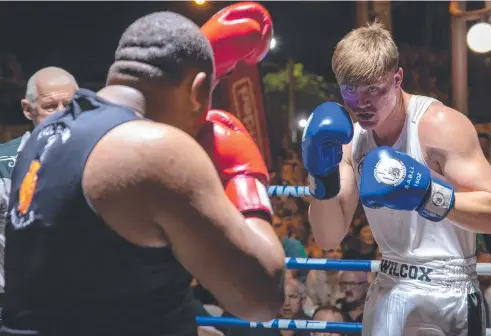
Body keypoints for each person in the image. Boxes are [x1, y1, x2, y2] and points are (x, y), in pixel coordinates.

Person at [2, 10, 286, 336]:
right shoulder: (155, 151)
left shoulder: (42, 137)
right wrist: (244, 179)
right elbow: (262, 297)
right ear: (198, 90)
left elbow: (93, 291)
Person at [302, 20, 491, 335]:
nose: (361, 103)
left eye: (373, 89)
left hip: (450, 289)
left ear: (397, 78)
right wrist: (322, 175)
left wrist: (428, 194)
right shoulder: (347, 138)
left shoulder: (440, 126)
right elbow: (328, 236)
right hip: (391, 284)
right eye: (350, 90)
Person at [0, 66, 78, 292]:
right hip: (12, 302)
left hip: (76, 300)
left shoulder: (94, 159)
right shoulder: (4, 163)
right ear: (27, 109)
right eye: (50, 107)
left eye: (69, 105)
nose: (61, 114)